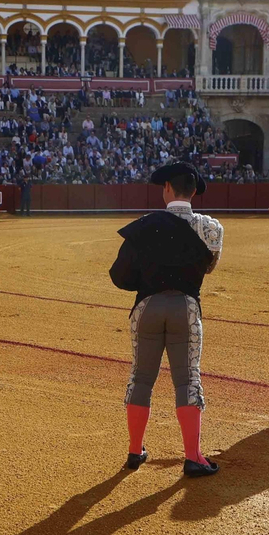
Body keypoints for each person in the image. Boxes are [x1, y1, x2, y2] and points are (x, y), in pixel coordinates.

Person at [107, 163, 223, 477]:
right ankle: (193, 457)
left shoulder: (143, 226)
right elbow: (208, 267)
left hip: (146, 307)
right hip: (185, 307)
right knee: (187, 380)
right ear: (195, 191)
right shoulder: (211, 228)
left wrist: (147, 280)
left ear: (167, 188)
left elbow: (119, 275)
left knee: (141, 378)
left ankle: (135, 451)